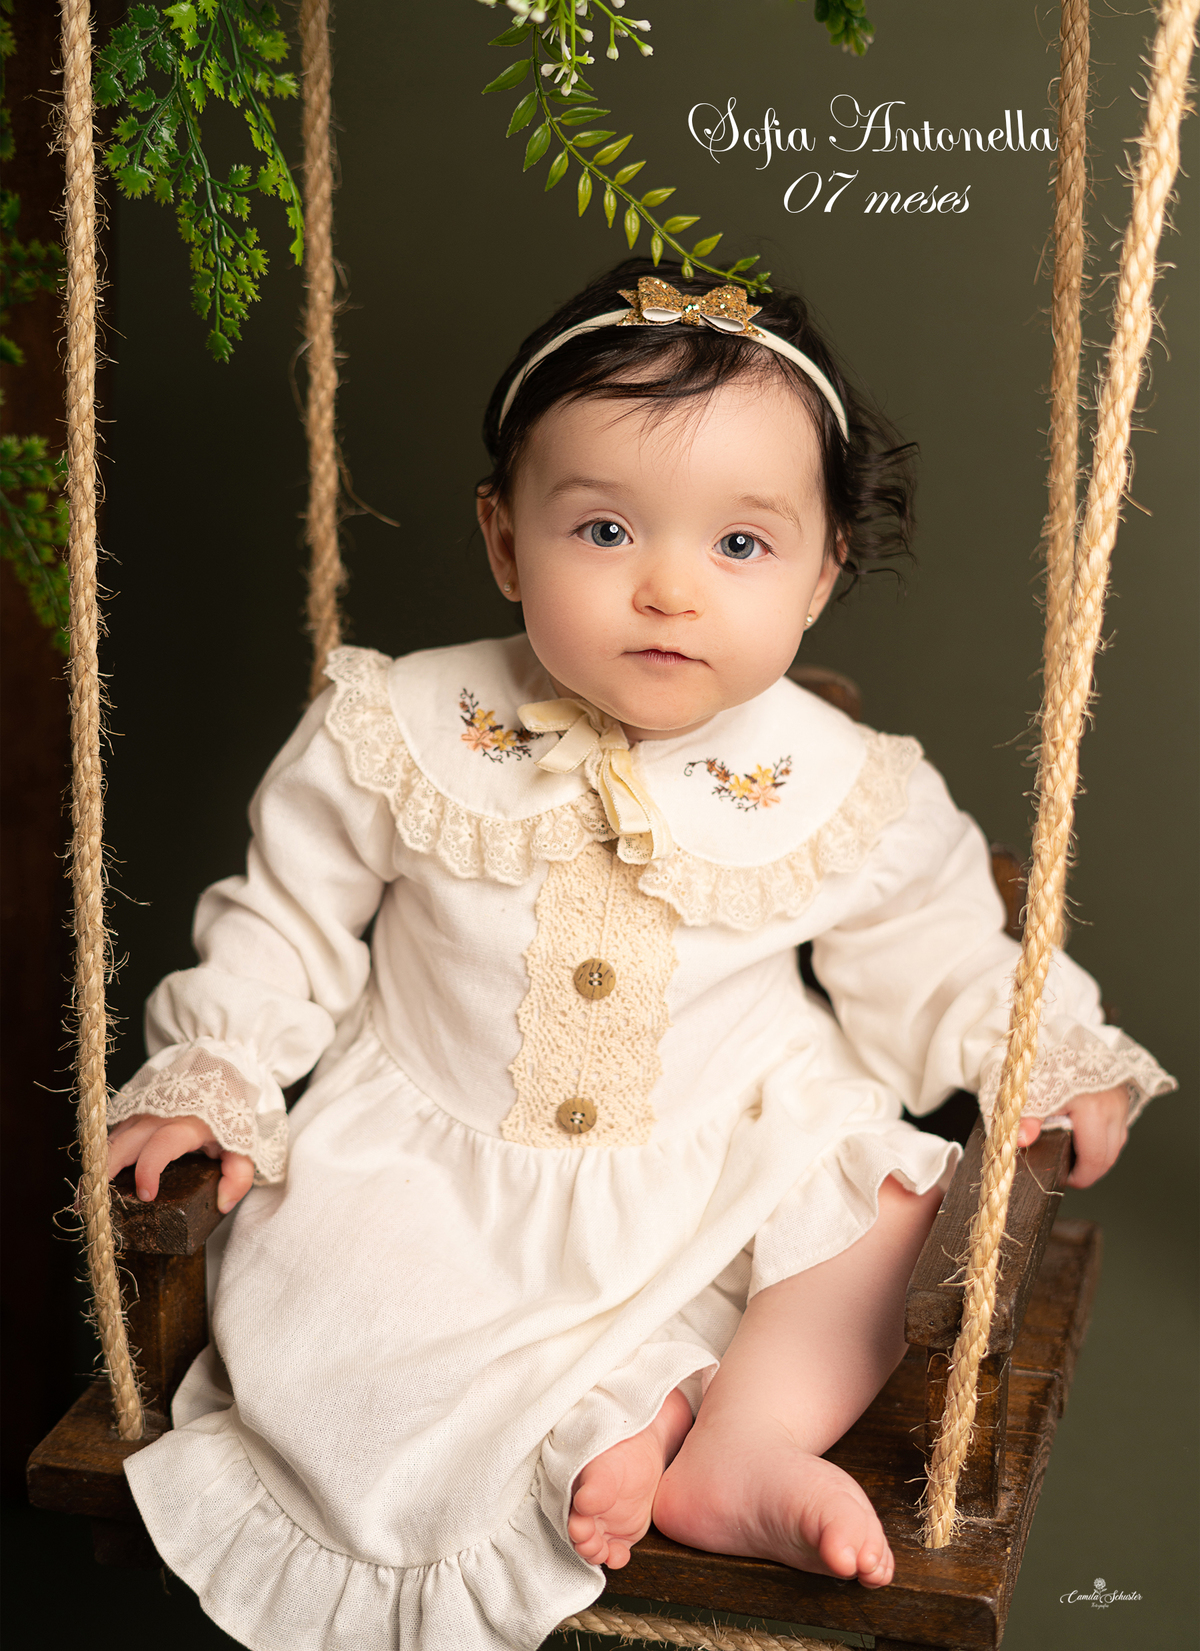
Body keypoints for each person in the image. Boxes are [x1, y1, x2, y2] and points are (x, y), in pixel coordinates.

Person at [105, 259, 1173, 1651]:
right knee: (350, 1333)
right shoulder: (400, 726)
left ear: (822, 574)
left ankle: (741, 1441)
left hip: (719, 1153)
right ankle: (631, 1408)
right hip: (437, 1173)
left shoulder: (844, 782)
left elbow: (941, 953)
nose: (670, 589)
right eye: (605, 529)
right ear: (506, 542)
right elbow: (283, 922)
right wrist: (217, 1068)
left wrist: (1045, 1053)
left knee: (886, 1199)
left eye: (741, 545)